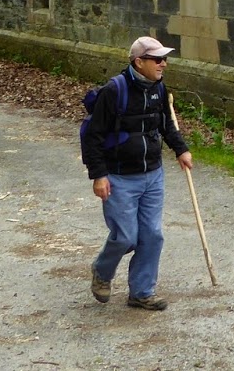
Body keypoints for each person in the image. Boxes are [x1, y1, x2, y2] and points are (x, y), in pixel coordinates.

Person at [82, 36, 193, 310]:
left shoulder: (158, 88)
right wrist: (99, 175)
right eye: (157, 59)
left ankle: (142, 292)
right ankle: (102, 271)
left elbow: (166, 125)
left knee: (152, 235)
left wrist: (181, 149)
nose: (163, 64)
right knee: (125, 237)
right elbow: (93, 137)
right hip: (119, 178)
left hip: (153, 175)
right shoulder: (114, 91)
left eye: (164, 59)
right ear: (138, 61)